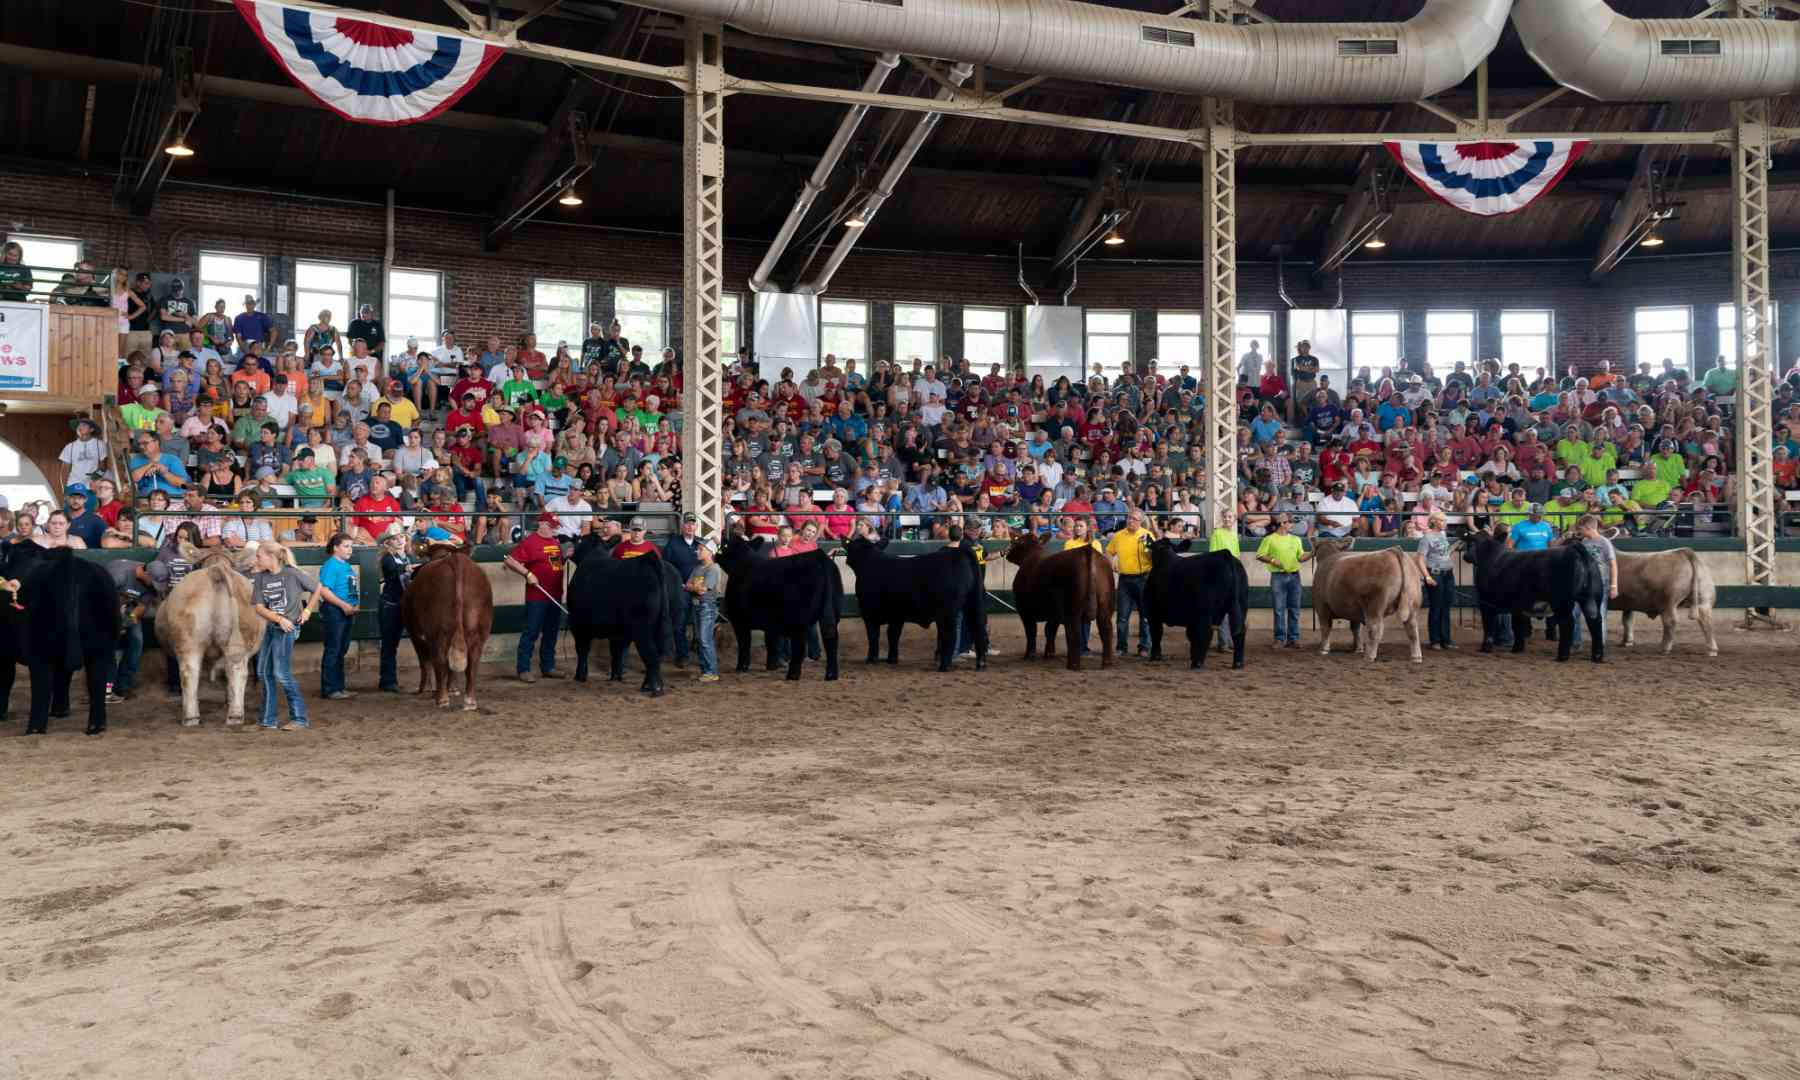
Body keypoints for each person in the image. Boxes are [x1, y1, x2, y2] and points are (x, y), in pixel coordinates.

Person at [250, 540, 317, 731]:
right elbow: (259, 607)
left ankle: (299, 718)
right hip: (274, 626)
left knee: (282, 673)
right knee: (264, 672)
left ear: (271, 557)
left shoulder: (292, 574)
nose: (257, 559)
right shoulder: (261, 578)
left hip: (287, 629)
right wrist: (278, 619)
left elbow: (317, 588)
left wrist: (307, 611)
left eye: (259, 556)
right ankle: (268, 719)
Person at [504, 512, 566, 682]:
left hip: (555, 594)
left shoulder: (555, 542)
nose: (555, 530)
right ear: (542, 525)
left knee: (551, 632)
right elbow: (510, 560)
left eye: (556, 527)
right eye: (552, 527)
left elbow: (556, 563)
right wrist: (527, 573)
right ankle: (523, 669)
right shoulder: (530, 542)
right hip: (537, 596)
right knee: (531, 631)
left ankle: (548, 667)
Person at [316, 533, 362, 700]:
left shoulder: (345, 565)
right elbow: (324, 590)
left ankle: (339, 687)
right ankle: (329, 688)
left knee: (340, 650)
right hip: (335, 611)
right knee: (334, 649)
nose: (350, 549)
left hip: (345, 610)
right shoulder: (331, 565)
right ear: (336, 548)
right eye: (346, 546)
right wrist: (343, 605)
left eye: (351, 546)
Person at [1255, 513, 1312, 647]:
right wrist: (1273, 560)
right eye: (1290, 522)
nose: (1292, 525)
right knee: (1279, 609)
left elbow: (1301, 557)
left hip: (1294, 575)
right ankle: (1281, 638)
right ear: (1282, 523)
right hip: (1278, 575)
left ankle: (1292, 638)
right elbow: (1260, 555)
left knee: (1294, 608)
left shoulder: (1296, 539)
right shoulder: (1269, 539)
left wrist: (1311, 553)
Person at [1105, 507, 1155, 657]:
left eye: (1134, 519)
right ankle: (1121, 647)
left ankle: (1144, 647)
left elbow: (1155, 555)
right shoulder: (1119, 535)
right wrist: (1111, 562)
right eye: (1129, 518)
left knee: (1145, 616)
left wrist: (1149, 546)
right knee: (1122, 616)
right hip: (1125, 579)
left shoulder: (1147, 535)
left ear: (1141, 521)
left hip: (1144, 578)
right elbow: (1108, 551)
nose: (1130, 521)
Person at [1565, 513, 1619, 651]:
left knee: (1599, 614)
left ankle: (1599, 645)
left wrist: (1613, 586)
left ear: (1588, 527)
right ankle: (1576, 642)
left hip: (1601, 581)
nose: (1580, 532)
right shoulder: (1585, 542)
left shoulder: (1604, 542)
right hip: (1584, 582)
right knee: (1574, 612)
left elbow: (1613, 564)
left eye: (1581, 529)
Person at [662, 513, 704, 667]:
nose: (690, 526)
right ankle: (683, 655)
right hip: (681, 590)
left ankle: (702, 655)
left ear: (696, 526)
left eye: (692, 523)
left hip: (700, 589)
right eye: (687, 523)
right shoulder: (672, 544)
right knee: (679, 623)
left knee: (702, 623)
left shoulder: (701, 544)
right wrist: (676, 584)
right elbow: (666, 567)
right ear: (682, 526)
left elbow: (709, 564)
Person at [377, 528, 412, 693]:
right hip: (391, 605)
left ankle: (389, 680)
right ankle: (388, 680)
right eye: (395, 538)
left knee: (392, 644)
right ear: (387, 542)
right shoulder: (387, 558)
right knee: (390, 644)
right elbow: (394, 570)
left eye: (402, 537)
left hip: (401, 604)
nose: (400, 540)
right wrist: (409, 569)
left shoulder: (407, 557)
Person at [686, 536, 723, 683]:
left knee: (705, 639)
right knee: (702, 639)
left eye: (701, 549)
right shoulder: (698, 568)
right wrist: (694, 588)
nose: (697, 551)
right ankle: (706, 671)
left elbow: (701, 589)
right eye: (698, 549)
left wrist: (692, 587)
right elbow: (689, 586)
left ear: (710, 552)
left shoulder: (713, 569)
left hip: (707, 606)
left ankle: (711, 671)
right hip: (699, 605)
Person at [1418, 511, 1456, 650]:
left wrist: (1455, 547)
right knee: (1437, 607)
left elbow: (1443, 553)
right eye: (1442, 520)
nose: (1445, 523)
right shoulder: (1426, 538)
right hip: (1436, 573)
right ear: (1434, 521)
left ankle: (1445, 639)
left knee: (1445, 606)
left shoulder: (1442, 535)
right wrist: (1427, 576)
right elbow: (1420, 559)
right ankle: (1435, 640)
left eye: (1445, 521)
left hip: (1447, 572)